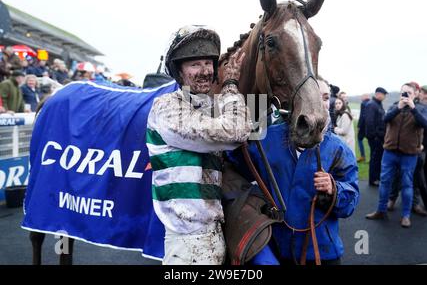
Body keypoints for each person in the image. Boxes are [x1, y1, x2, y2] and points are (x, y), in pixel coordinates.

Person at [146, 25, 252, 265]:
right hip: (186, 242)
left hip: (213, 234)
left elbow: (251, 123)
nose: (204, 71)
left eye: (208, 63)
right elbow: (236, 131)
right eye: (195, 64)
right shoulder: (166, 107)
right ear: (179, 72)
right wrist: (231, 84)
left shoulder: (207, 108)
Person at [237, 76, 359, 265]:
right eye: (311, 96)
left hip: (322, 252)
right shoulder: (267, 138)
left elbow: (350, 204)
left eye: (325, 98)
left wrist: (335, 190)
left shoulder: (338, 149)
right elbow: (237, 167)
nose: (319, 104)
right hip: (276, 250)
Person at [366, 83, 427, 228]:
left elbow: (424, 123)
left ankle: (406, 215)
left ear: (415, 94)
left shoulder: (420, 108)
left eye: (409, 93)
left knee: (407, 184)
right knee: (385, 181)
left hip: (409, 153)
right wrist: (398, 107)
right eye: (403, 93)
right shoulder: (394, 106)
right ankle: (381, 210)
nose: (405, 96)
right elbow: (385, 119)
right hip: (390, 151)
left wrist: (412, 108)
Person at [388, 82, 427, 216]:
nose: (422, 95)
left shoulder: (421, 107)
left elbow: (423, 124)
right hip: (404, 147)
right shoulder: (400, 105)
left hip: (419, 148)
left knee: (417, 179)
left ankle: (414, 204)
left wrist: (422, 145)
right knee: (398, 177)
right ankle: (392, 199)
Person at [364, 87, 388, 186]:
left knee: (378, 158)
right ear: (378, 94)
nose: (384, 97)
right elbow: (369, 122)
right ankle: (373, 180)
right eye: (384, 94)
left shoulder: (378, 104)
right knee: (374, 159)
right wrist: (374, 136)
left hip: (379, 137)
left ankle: (377, 177)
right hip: (375, 138)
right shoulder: (372, 105)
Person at [356, 94, 370, 162]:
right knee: (370, 142)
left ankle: (362, 156)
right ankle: (372, 157)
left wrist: (359, 126)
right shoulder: (371, 103)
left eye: (362, 96)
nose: (361, 98)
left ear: (365, 97)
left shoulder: (363, 103)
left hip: (363, 126)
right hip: (369, 126)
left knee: (359, 139)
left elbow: (362, 115)